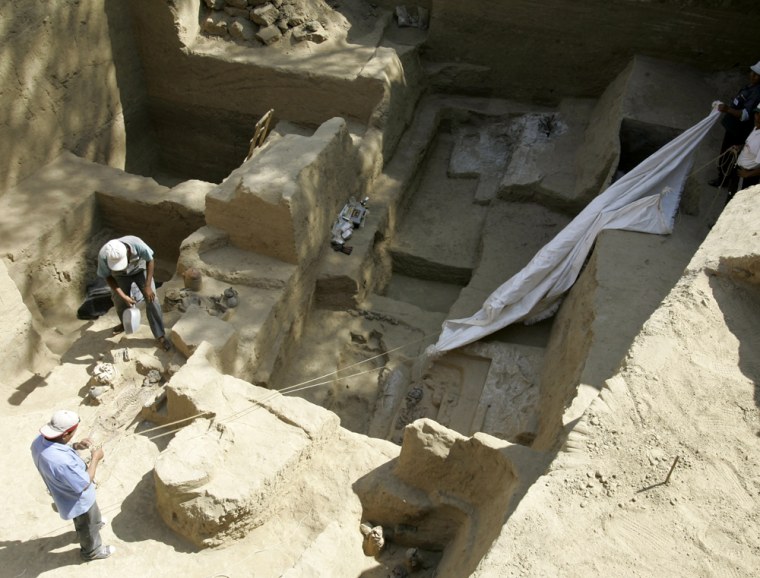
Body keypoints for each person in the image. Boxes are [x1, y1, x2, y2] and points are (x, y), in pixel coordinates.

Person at [30, 410, 115, 561]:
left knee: (91, 517)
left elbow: (58, 447)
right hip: (77, 499)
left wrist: (75, 446)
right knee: (86, 524)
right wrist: (95, 458)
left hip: (63, 491)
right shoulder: (62, 462)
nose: (74, 435)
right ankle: (92, 552)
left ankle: (96, 523)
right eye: (73, 433)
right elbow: (83, 483)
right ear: (65, 434)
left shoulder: (38, 442)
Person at [97, 235, 171, 351]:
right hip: (119, 275)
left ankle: (160, 335)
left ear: (127, 251)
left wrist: (147, 286)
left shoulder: (138, 244)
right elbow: (107, 276)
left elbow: (150, 260)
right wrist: (124, 296)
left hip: (140, 269)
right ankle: (124, 324)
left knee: (152, 299)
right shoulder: (103, 255)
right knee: (118, 300)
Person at [710, 60, 760, 187]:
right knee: (727, 153)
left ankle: (724, 180)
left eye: (757, 75)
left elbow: (745, 115)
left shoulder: (757, 93)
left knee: (728, 156)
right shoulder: (750, 87)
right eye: (752, 73)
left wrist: (727, 109)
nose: (753, 76)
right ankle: (724, 178)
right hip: (733, 128)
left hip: (738, 131)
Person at [725, 104, 760, 203]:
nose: (757, 118)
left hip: (746, 176)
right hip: (739, 170)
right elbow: (749, 145)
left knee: (735, 201)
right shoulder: (756, 127)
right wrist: (739, 147)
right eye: (757, 114)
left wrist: (748, 174)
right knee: (731, 195)